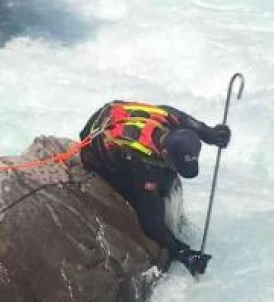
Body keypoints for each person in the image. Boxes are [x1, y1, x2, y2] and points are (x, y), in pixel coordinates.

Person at [79, 100, 231, 277]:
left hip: (113, 112)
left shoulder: (171, 118)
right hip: (94, 147)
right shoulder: (144, 163)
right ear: (165, 153)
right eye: (176, 166)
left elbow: (188, 122)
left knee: (165, 181)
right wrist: (182, 252)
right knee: (150, 197)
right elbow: (151, 223)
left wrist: (211, 134)